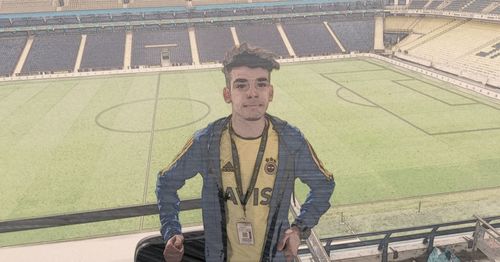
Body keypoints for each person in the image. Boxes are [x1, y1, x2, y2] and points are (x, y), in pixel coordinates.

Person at [156, 43, 335, 262]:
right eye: (241, 85)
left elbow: (324, 184)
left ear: (270, 92)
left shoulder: (290, 140)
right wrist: (172, 231)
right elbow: (166, 182)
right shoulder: (208, 142)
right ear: (227, 94)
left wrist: (299, 229)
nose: (252, 93)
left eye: (261, 84)